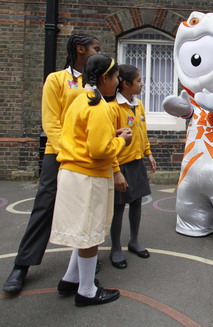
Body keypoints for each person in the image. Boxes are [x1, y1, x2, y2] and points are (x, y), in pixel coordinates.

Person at [3, 33, 101, 294]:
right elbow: (51, 123)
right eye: (95, 48)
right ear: (80, 49)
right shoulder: (57, 79)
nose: (99, 52)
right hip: (58, 154)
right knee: (44, 206)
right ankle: (21, 266)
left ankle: (83, 265)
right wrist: (67, 153)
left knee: (88, 210)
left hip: (89, 157)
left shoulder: (98, 84)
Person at [49, 54, 132, 306]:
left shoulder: (78, 100)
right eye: (116, 77)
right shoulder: (100, 107)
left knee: (82, 232)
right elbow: (99, 150)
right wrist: (122, 140)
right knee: (90, 235)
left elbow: (83, 137)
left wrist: (110, 135)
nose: (118, 82)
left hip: (72, 173)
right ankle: (86, 291)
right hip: (89, 177)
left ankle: (71, 278)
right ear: (105, 77)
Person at [108, 64, 157, 269]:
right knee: (118, 208)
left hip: (137, 162)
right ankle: (116, 248)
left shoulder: (138, 105)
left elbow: (141, 132)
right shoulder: (113, 108)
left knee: (136, 202)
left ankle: (134, 241)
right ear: (126, 84)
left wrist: (149, 153)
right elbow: (109, 140)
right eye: (138, 81)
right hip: (120, 165)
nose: (142, 83)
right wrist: (116, 170)